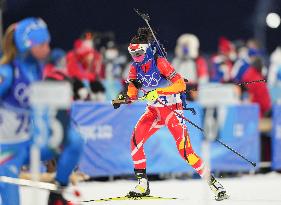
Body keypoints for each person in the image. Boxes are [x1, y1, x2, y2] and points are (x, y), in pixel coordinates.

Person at [115, 27, 229, 201]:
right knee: (135, 141)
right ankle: (142, 185)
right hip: (153, 111)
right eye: (133, 54)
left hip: (171, 110)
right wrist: (123, 99)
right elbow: (132, 94)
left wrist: (159, 92)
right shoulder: (134, 69)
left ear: (146, 50)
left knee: (185, 151)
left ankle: (214, 184)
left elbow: (181, 85)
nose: (136, 58)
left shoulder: (160, 62)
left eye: (138, 54)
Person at [0, 18, 84, 205]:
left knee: (75, 140)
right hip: (7, 151)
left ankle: (56, 195)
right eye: (42, 44)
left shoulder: (37, 68)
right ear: (26, 45)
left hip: (31, 143)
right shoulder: (7, 72)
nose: (47, 48)